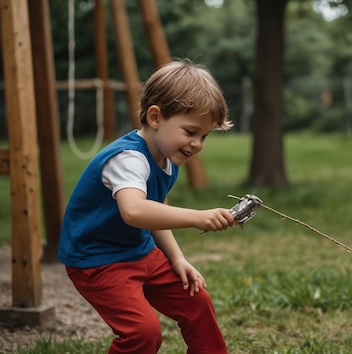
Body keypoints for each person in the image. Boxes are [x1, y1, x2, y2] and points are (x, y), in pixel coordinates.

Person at [58, 59, 237, 354]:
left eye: (204, 136)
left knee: (197, 302)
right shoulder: (128, 159)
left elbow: (155, 209)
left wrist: (177, 258)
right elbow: (135, 211)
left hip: (140, 252)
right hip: (98, 261)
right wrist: (196, 217)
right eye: (190, 132)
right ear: (155, 117)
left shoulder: (168, 156)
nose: (197, 144)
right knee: (143, 332)